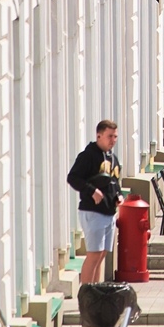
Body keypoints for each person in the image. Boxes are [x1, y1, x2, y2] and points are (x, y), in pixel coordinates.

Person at [66, 119, 122, 286]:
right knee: (94, 253)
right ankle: (86, 293)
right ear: (99, 135)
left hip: (109, 212)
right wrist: (91, 191)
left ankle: (95, 289)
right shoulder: (88, 156)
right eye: (109, 136)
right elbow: (73, 178)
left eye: (115, 137)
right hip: (93, 211)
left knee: (102, 253)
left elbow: (115, 181)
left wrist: (118, 196)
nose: (113, 140)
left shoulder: (113, 158)